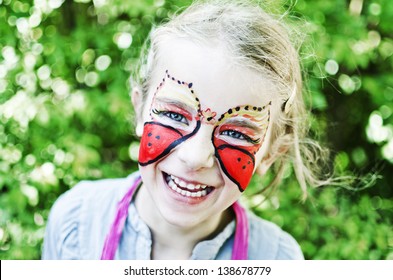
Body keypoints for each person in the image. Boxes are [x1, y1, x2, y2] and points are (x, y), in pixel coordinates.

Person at [42, 0, 329, 260]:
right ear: (141, 109)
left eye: (237, 134)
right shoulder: (75, 223)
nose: (195, 157)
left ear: (269, 155)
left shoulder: (278, 259)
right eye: (173, 115)